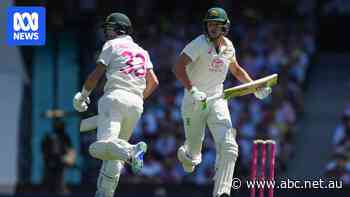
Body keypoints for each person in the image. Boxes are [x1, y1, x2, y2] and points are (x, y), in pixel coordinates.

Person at [174, 7, 271, 197]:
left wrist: (254, 87)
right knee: (193, 158)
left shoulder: (229, 47)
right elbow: (178, 67)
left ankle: (222, 192)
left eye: (217, 24)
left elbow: (235, 70)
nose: (213, 27)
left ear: (225, 27)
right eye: (210, 24)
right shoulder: (198, 44)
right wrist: (192, 90)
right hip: (195, 101)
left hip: (218, 99)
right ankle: (187, 155)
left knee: (230, 146)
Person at [73, 12, 159, 197]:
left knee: (96, 148)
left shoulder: (112, 45)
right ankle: (104, 193)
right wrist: (136, 98)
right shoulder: (142, 52)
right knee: (114, 154)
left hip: (114, 99)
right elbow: (154, 82)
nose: (106, 33)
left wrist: (82, 96)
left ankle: (131, 150)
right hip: (136, 105)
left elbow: (96, 74)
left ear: (120, 29)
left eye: (109, 28)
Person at [42, 120, 76, 194]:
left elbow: (70, 151)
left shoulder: (65, 137)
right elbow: (45, 150)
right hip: (52, 163)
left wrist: (69, 159)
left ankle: (60, 190)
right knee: (52, 184)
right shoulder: (50, 136)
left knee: (59, 183)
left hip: (60, 163)